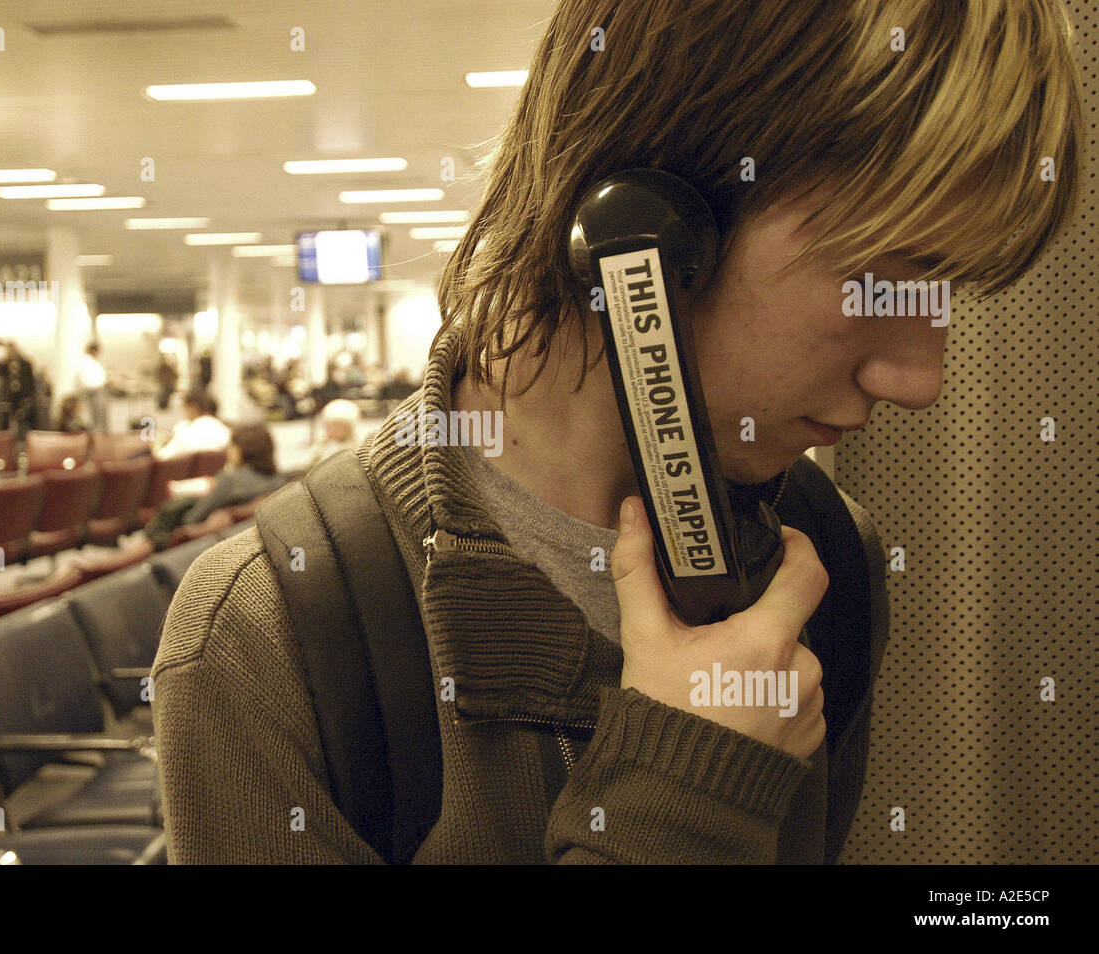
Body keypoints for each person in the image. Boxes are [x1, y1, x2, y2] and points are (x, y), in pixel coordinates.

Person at [151, 0, 1080, 864]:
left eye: (940, 294)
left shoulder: (825, 558)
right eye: (884, 271)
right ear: (644, 235)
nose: (920, 378)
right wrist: (686, 801)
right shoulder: (267, 637)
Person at [143, 424, 287, 549]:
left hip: (198, 546)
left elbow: (193, 519)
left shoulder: (230, 480)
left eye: (232, 446)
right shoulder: (278, 482)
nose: (228, 451)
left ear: (241, 451)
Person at [154, 390, 231, 460]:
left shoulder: (189, 432)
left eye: (185, 408)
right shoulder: (225, 431)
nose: (184, 413)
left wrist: (156, 445)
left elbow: (163, 457)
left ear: (194, 407)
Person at [308, 399, 361, 467]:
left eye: (339, 427)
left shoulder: (353, 446)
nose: (334, 430)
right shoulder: (322, 443)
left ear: (349, 429)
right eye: (330, 427)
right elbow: (313, 462)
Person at [75, 342, 109, 431]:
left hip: (97, 390)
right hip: (93, 392)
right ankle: (96, 439)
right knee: (96, 419)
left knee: (99, 418)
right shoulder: (86, 361)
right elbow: (88, 380)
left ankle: (99, 436)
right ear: (93, 350)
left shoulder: (92, 361)